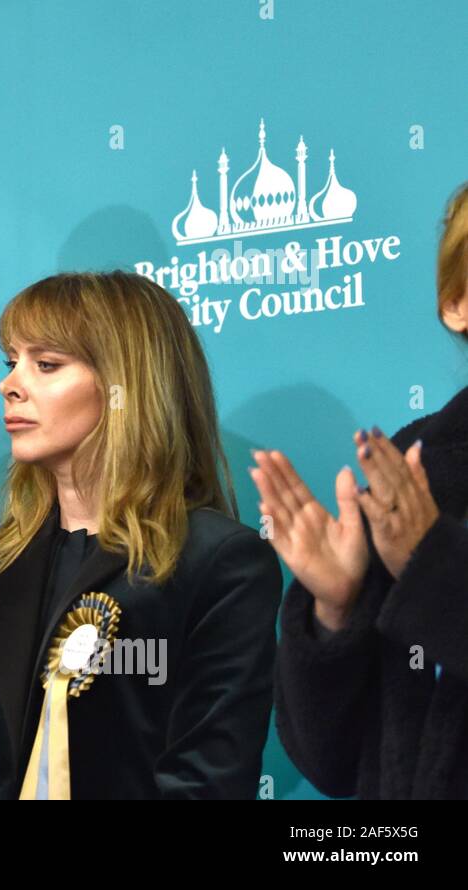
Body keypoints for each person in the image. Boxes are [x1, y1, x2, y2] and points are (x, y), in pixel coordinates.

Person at [0, 271, 281, 800]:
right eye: (12, 361)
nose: (10, 384)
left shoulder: (216, 561)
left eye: (47, 365)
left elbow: (207, 782)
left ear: (127, 385)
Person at [257, 182, 468, 799]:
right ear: (457, 304)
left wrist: (431, 572)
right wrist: (337, 610)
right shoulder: (418, 467)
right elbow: (331, 760)